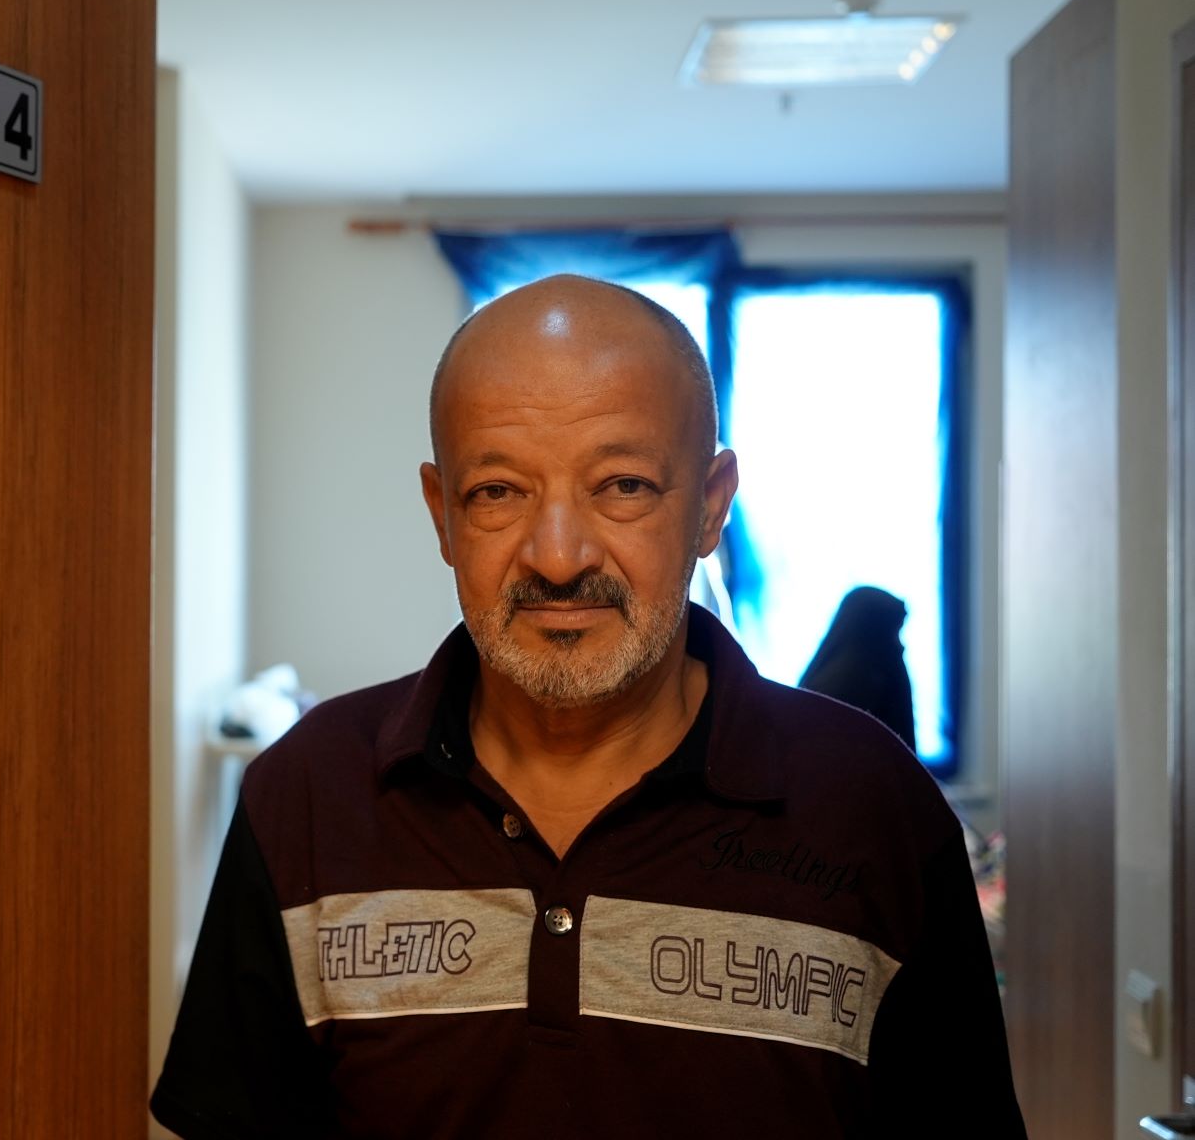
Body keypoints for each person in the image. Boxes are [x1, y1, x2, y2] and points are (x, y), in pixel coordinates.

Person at [151, 275, 1024, 1139]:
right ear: (442, 514)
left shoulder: (873, 808)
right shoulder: (307, 795)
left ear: (710, 505)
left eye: (622, 486)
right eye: (498, 491)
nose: (559, 556)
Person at [799, 586, 917, 751]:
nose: (901, 646)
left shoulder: (825, 680)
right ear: (873, 634)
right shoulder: (866, 681)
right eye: (894, 633)